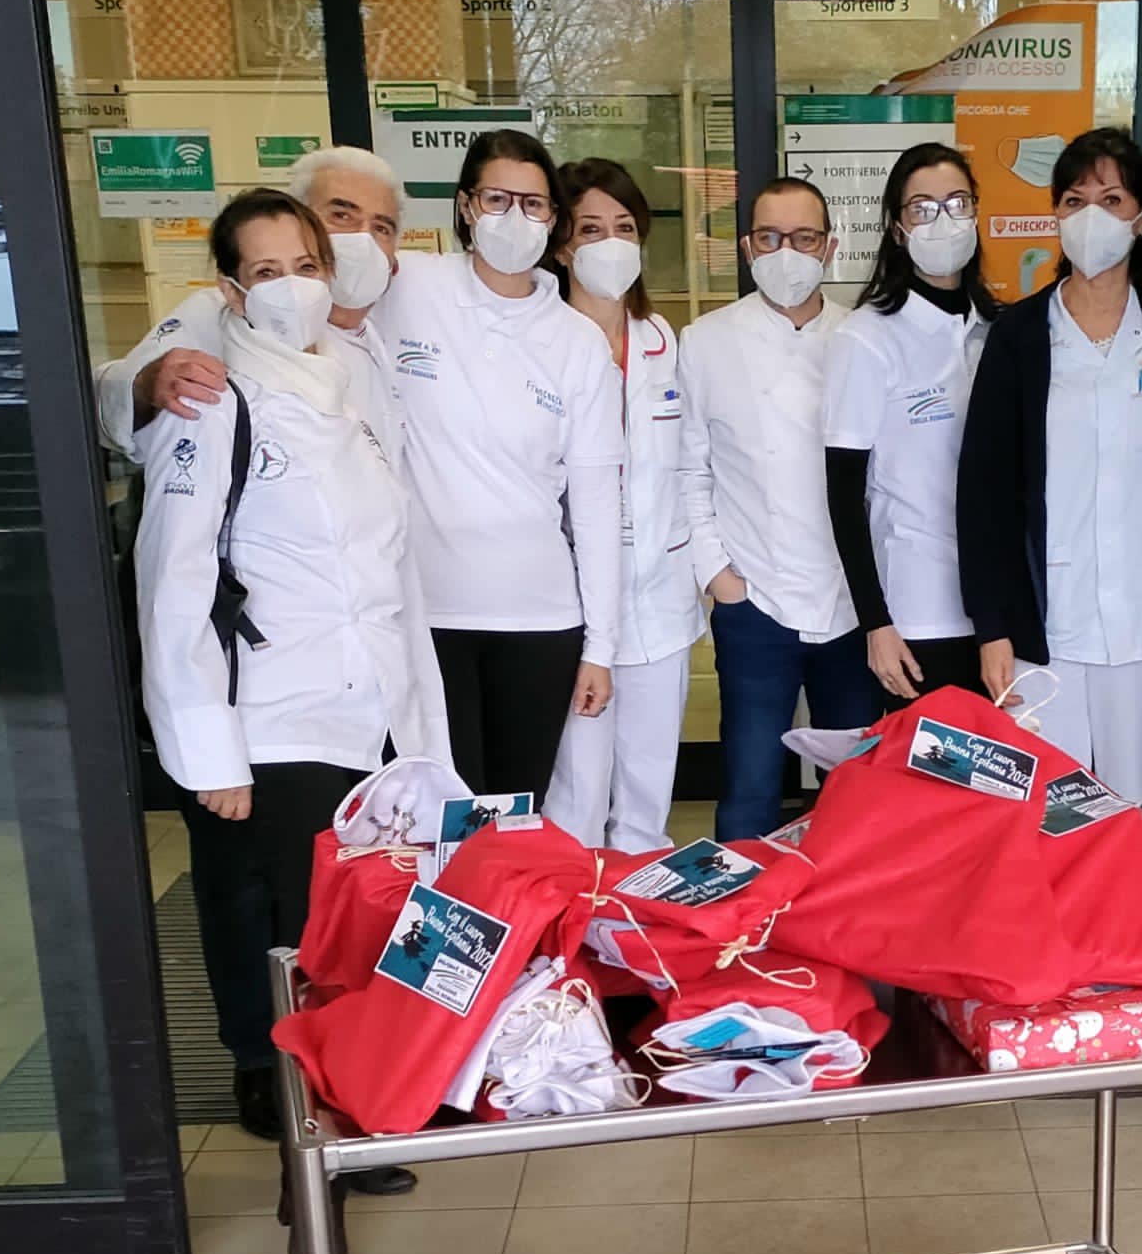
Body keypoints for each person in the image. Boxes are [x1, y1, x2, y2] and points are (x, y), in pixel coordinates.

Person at [134, 188, 448, 1178]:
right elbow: (172, 584)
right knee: (284, 929)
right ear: (229, 290)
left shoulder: (349, 387)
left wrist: (421, 732)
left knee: (363, 920)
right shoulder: (209, 401)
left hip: (371, 708)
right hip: (272, 713)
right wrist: (208, 753)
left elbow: (390, 573)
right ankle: (300, 1122)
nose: (292, 287)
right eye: (266, 272)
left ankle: (353, 1100)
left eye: (306, 266)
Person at [375, 129, 624, 801]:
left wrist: (600, 646)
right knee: (437, 813)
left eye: (533, 204)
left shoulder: (576, 341)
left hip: (539, 619)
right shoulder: (407, 288)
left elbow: (597, 503)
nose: (515, 218)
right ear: (465, 206)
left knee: (512, 817)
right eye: (497, 199)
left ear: (553, 219)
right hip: (426, 614)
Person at [956, 127, 1142, 803]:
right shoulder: (1021, 334)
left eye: (1111, 200)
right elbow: (982, 492)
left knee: (1138, 808)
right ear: (1055, 216)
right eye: (1074, 200)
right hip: (1045, 624)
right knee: (1046, 813)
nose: (1092, 216)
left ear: (1141, 218)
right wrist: (992, 628)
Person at [678, 176, 880, 840]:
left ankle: (842, 903)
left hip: (851, 604)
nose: (785, 252)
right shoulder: (706, 341)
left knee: (854, 793)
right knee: (749, 784)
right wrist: (720, 578)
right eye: (769, 238)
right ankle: (738, 905)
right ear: (747, 248)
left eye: (803, 238)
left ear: (830, 248)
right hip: (754, 601)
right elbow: (689, 469)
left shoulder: (862, 338)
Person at [543, 158, 704, 851]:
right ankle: (568, 908)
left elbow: (688, 464)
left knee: (647, 789)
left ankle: (637, 909)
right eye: (590, 229)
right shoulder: (541, 342)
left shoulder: (662, 340)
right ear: (560, 246)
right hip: (573, 600)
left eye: (624, 228)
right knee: (575, 792)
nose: (610, 243)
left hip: (660, 594)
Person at [95, 144, 405, 468]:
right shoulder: (222, 313)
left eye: (381, 228)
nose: (362, 238)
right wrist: (144, 388)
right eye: (341, 215)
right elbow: (106, 402)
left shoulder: (385, 323)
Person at [824, 143, 998, 708]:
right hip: (918, 609)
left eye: (957, 203)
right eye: (922, 208)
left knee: (1001, 763)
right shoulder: (867, 337)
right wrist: (876, 623)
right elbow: (843, 492)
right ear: (897, 229)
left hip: (999, 610)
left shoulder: (997, 329)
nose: (943, 220)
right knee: (931, 760)